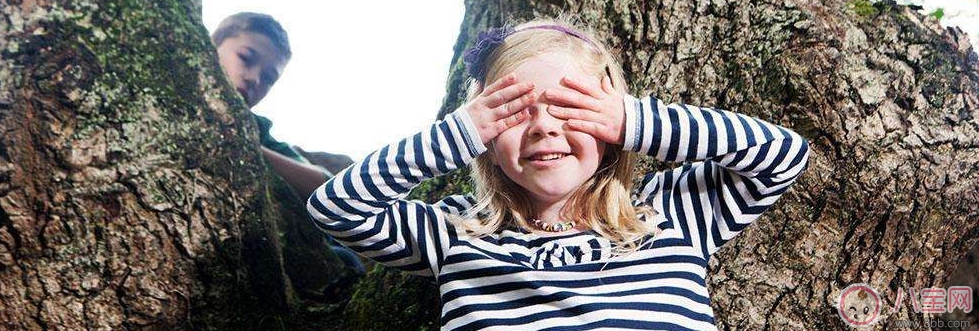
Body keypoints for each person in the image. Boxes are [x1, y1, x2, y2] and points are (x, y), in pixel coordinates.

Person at [307, 18, 811, 330]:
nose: (544, 127)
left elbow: (783, 155)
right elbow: (336, 207)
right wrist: (459, 132)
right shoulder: (456, 232)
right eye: (515, 111)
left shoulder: (669, 215)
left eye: (568, 107)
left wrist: (634, 120)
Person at [211, 12, 365, 274]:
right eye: (246, 59)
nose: (254, 79)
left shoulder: (257, 129)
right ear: (211, 45)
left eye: (269, 78)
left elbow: (324, 183)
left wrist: (249, 148)